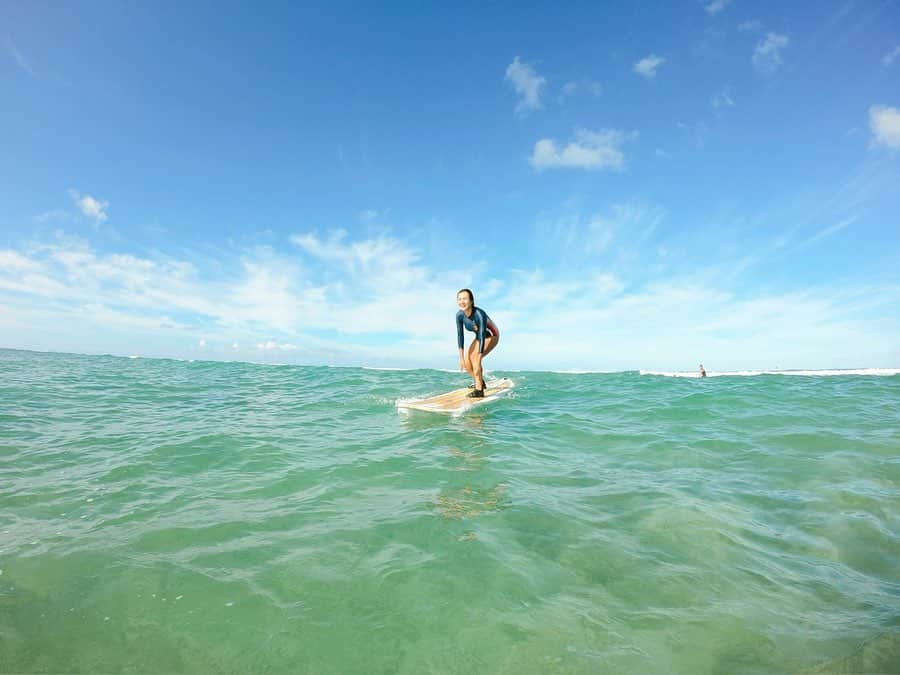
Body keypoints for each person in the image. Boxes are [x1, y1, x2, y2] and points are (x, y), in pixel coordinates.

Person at [456, 288, 500, 398]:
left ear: (471, 301)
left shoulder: (479, 314)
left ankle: (479, 390)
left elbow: (482, 334)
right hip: (479, 337)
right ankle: (480, 382)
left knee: (475, 359)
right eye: (459, 299)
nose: (462, 301)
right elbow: (460, 335)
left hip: (492, 335)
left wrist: (479, 358)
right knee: (467, 362)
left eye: (465, 299)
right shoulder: (459, 315)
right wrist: (461, 357)